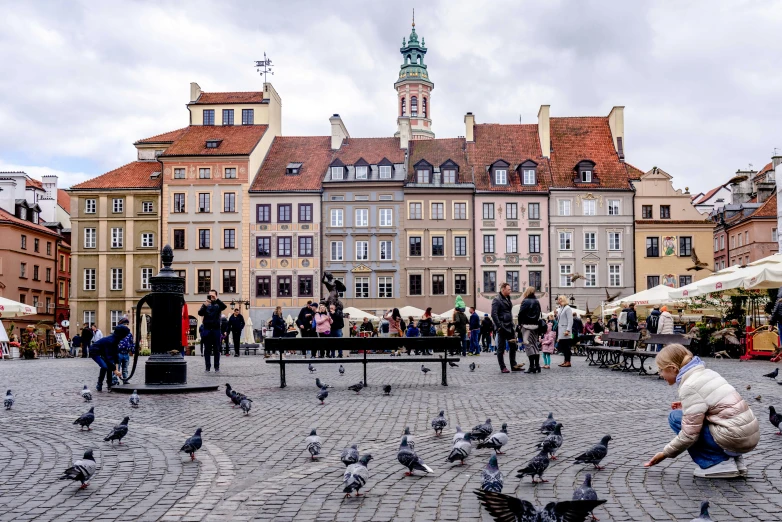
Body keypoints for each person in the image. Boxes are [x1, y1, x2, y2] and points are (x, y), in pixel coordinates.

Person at [644, 344, 759, 478]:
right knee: (691, 417)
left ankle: (717, 463)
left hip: (733, 439)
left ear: (673, 368)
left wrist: (665, 453)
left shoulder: (689, 386)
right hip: (748, 436)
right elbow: (718, 402)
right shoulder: (707, 372)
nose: (660, 374)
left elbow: (689, 435)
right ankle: (735, 461)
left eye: (661, 370)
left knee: (675, 417)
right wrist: (686, 404)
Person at [491, 282, 523, 373]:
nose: (510, 290)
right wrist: (499, 326)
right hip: (502, 326)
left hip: (509, 325)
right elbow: (494, 314)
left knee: (513, 346)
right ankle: (503, 367)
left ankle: (514, 365)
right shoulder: (497, 300)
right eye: (509, 289)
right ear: (503, 289)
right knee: (501, 348)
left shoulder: (508, 299)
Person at [89, 322, 129, 392]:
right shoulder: (110, 341)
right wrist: (115, 370)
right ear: (121, 334)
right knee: (105, 366)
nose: (125, 337)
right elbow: (108, 357)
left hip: (102, 351)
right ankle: (99, 384)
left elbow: (115, 353)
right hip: (94, 352)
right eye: (125, 335)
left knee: (109, 367)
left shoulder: (116, 340)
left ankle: (109, 384)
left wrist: (116, 367)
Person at [198, 289, 227, 372]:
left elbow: (224, 306)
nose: (211, 297)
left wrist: (216, 299)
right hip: (207, 329)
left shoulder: (218, 305)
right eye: (210, 295)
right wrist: (204, 305)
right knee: (207, 349)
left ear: (216, 296)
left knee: (216, 349)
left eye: (213, 295)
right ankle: (207, 366)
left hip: (216, 329)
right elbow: (200, 313)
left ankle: (216, 367)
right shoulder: (206, 305)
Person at [518, 286, 542, 374]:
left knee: (528, 346)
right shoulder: (537, 301)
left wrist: (520, 324)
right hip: (535, 326)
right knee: (535, 345)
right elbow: (539, 313)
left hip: (526, 325)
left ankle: (532, 366)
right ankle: (537, 365)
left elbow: (521, 314)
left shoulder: (525, 301)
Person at [556, 295, 574, 367]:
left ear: (563, 300)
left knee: (566, 347)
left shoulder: (567, 308)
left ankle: (568, 361)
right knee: (563, 347)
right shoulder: (560, 308)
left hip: (565, 331)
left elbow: (570, 320)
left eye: (560, 299)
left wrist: (568, 330)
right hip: (561, 330)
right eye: (558, 299)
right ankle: (565, 360)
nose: (559, 300)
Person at [116, 317, 134, 383]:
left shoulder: (129, 334)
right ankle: (115, 379)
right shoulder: (118, 333)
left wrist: (133, 351)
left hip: (126, 353)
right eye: (124, 324)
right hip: (119, 353)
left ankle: (125, 379)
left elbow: (132, 343)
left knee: (125, 368)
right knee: (117, 367)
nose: (126, 325)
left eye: (127, 324)